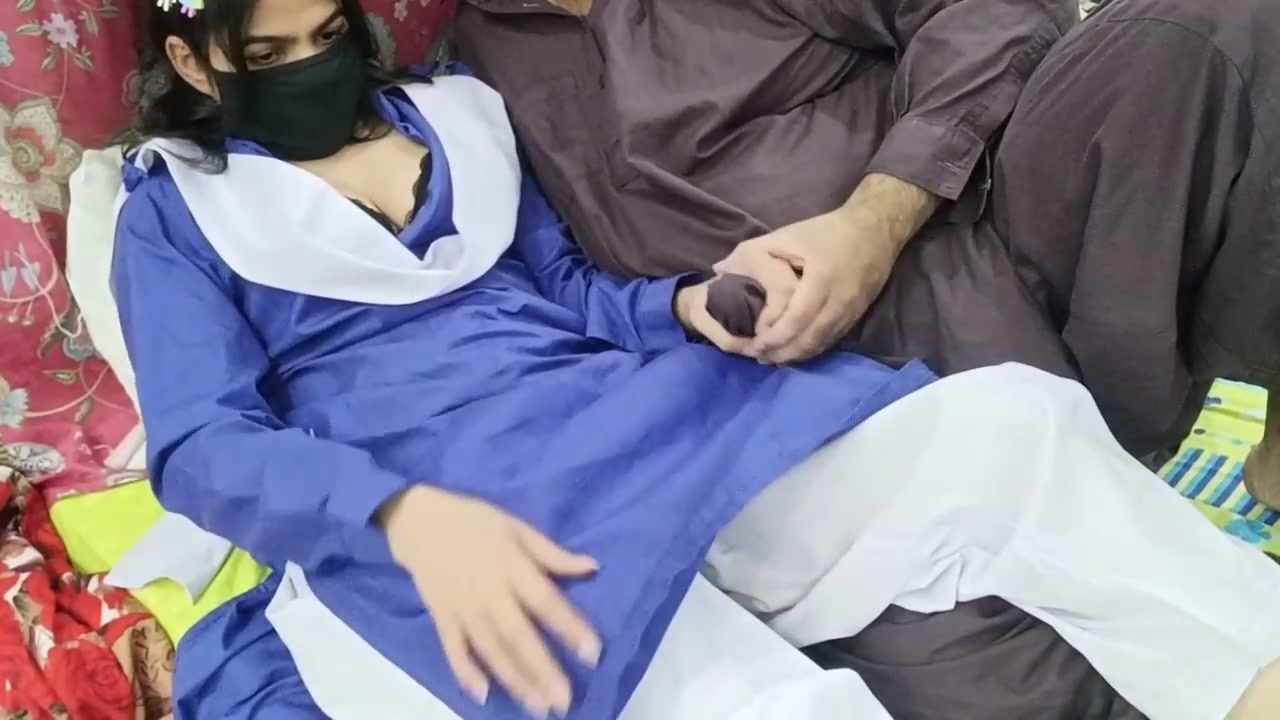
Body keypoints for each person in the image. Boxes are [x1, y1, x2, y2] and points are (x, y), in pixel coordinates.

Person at [110, 1, 1280, 719]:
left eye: (326, 37)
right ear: (199, 62)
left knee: (1004, 434)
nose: (310, 67)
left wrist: (683, 304)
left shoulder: (454, 113)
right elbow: (203, 444)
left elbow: (565, 293)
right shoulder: (172, 212)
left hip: (637, 421)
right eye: (269, 52)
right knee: (771, 699)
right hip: (449, 499)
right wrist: (400, 519)